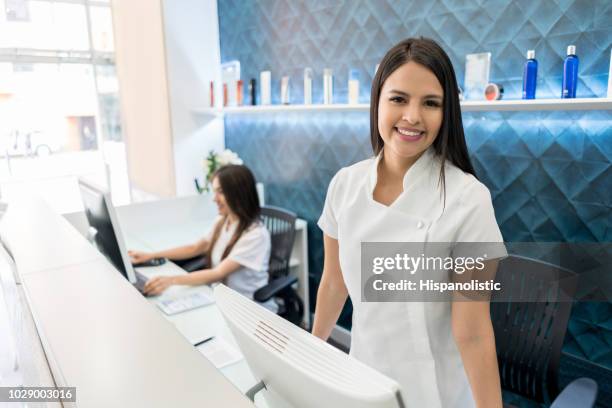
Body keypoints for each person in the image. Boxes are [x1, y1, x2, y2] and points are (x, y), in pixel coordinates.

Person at [312, 37, 507, 408]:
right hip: (364, 378)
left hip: (436, 391)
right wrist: (308, 353)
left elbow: (473, 332)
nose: (413, 117)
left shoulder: (469, 199)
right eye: (399, 99)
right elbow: (334, 283)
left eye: (430, 103)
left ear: (446, 112)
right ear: (378, 102)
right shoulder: (345, 184)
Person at [129, 165, 273, 309]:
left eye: (220, 192)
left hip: (248, 308)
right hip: (220, 298)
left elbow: (218, 273)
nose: (214, 199)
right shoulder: (223, 221)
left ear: (238, 193)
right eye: (214, 192)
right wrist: (150, 255)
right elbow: (195, 248)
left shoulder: (255, 235)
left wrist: (170, 280)